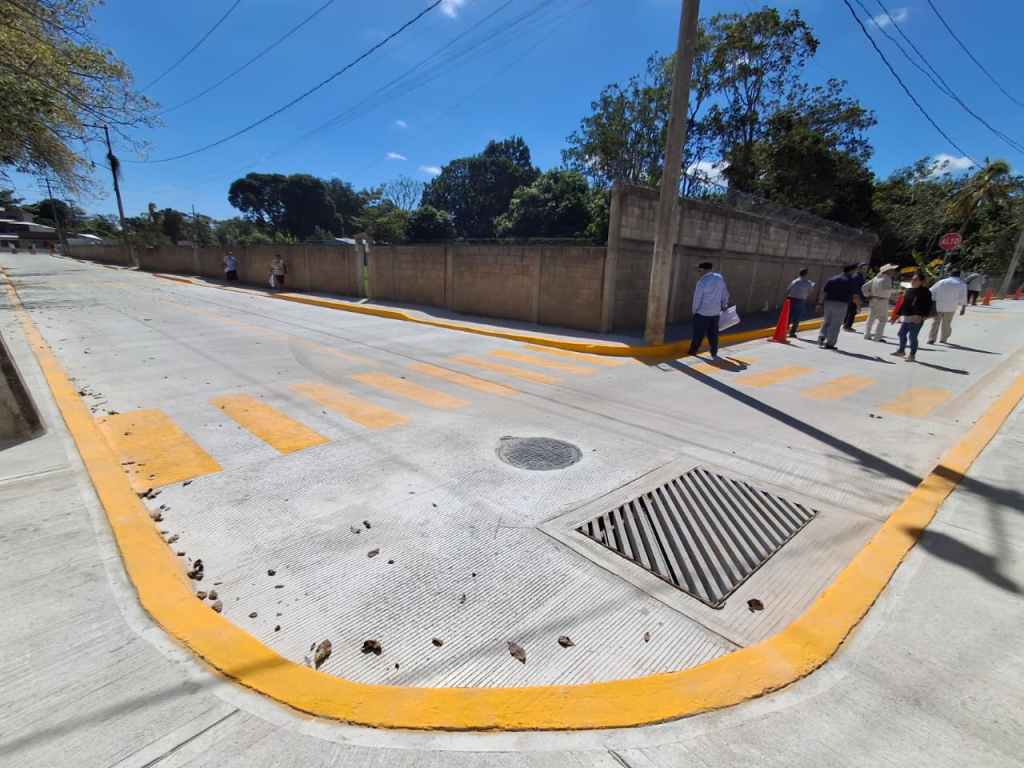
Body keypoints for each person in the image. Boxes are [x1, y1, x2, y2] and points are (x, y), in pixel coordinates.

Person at [688, 261, 730, 358]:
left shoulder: (702, 282)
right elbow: (725, 293)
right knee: (713, 334)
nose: (698, 272)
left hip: (702, 313)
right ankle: (714, 352)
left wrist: (694, 311)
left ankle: (693, 351)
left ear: (703, 269)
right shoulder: (719, 278)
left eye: (699, 270)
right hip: (715, 313)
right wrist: (724, 304)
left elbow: (697, 299)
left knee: (698, 334)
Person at [890, 271, 933, 362]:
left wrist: (923, 316)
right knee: (901, 334)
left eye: (915, 280)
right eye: (912, 279)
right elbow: (904, 304)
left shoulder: (926, 292)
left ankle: (912, 355)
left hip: (917, 317)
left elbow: (928, 305)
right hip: (907, 316)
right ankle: (901, 351)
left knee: (912, 337)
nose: (912, 281)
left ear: (921, 281)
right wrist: (897, 315)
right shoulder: (909, 290)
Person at [818, 264, 860, 350]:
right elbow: (855, 296)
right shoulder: (851, 281)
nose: (856, 272)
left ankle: (822, 336)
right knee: (835, 324)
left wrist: (820, 303)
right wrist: (858, 306)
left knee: (827, 321)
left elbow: (824, 292)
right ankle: (830, 343)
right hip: (841, 304)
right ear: (851, 270)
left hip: (828, 303)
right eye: (855, 270)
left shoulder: (833, 278)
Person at [927, 269, 968, 344]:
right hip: (951, 307)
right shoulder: (962, 284)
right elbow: (963, 297)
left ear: (950, 274)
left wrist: (931, 301)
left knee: (935, 322)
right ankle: (943, 338)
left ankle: (931, 338)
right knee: (947, 323)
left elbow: (931, 291)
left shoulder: (941, 282)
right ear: (959, 275)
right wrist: (963, 308)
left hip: (939, 305)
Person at [862, 264, 899, 342]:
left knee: (871, 318)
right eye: (892, 270)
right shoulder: (887, 278)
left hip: (873, 299)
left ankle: (867, 334)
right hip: (883, 300)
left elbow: (864, 287)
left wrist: (868, 295)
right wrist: (896, 290)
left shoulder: (875, 278)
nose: (893, 271)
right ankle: (878, 337)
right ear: (887, 271)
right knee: (883, 319)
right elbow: (886, 289)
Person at [785, 268, 815, 337]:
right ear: (806, 274)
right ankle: (792, 332)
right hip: (800, 300)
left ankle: (784, 330)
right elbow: (810, 291)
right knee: (797, 317)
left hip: (791, 299)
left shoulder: (795, 281)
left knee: (788, 316)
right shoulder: (809, 283)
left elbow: (788, 289)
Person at [843, 263, 867, 331]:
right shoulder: (857, 277)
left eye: (865, 268)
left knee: (851, 311)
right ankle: (847, 326)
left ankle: (846, 325)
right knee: (852, 312)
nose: (864, 270)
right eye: (863, 268)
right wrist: (857, 299)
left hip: (855, 297)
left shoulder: (860, 276)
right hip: (854, 297)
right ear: (859, 268)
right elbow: (856, 289)